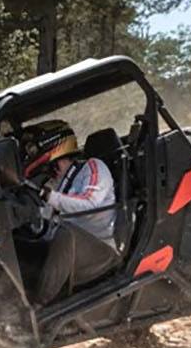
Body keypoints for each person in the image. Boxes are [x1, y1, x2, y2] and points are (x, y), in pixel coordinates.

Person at [17, 119, 119, 304]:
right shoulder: (57, 184)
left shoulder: (92, 167)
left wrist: (50, 197)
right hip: (73, 254)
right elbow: (46, 219)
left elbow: (90, 203)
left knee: (64, 234)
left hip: (101, 251)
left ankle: (39, 306)